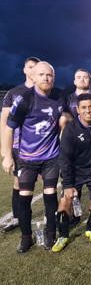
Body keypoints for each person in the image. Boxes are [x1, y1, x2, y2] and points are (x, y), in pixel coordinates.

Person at [2, 61, 68, 253]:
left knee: (50, 195)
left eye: (49, 75)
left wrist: (65, 119)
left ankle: (50, 233)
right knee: (24, 197)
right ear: (33, 76)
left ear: (53, 77)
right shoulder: (24, 99)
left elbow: (69, 116)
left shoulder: (60, 97)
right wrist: (7, 155)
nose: (46, 78)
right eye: (41, 75)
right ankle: (26, 237)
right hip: (27, 158)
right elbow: (9, 128)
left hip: (51, 157)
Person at [52, 94, 91, 252]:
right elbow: (64, 158)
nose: (88, 111)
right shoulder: (70, 129)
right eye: (84, 108)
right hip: (74, 172)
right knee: (66, 200)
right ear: (78, 110)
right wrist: (67, 184)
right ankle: (63, 235)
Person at [0, 56, 40, 233]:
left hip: (42, 146)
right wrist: (5, 150)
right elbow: (4, 122)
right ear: (25, 70)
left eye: (36, 67)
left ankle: (54, 214)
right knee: (18, 182)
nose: (32, 70)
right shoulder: (14, 93)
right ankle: (18, 217)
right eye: (30, 67)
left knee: (49, 181)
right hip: (18, 146)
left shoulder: (45, 92)